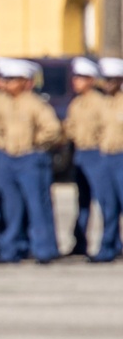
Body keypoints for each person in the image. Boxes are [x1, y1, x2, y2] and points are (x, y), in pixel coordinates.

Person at [0, 58, 62, 264]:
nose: (6, 84)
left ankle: (43, 249)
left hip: (30, 157)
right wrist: (0, 138)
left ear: (26, 82)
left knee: (37, 205)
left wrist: (37, 142)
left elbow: (52, 128)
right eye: (5, 79)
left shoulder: (34, 104)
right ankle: (10, 249)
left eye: (12, 80)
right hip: (7, 157)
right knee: (11, 206)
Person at [62, 57, 107, 258]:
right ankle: (79, 242)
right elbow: (70, 128)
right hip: (80, 153)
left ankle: (111, 242)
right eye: (75, 77)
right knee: (82, 202)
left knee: (106, 202)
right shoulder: (76, 103)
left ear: (91, 80)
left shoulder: (100, 103)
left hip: (98, 153)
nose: (75, 81)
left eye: (80, 77)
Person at [91, 56, 123, 263]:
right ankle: (108, 247)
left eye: (112, 80)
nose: (108, 84)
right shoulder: (101, 104)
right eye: (105, 80)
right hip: (105, 157)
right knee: (107, 205)